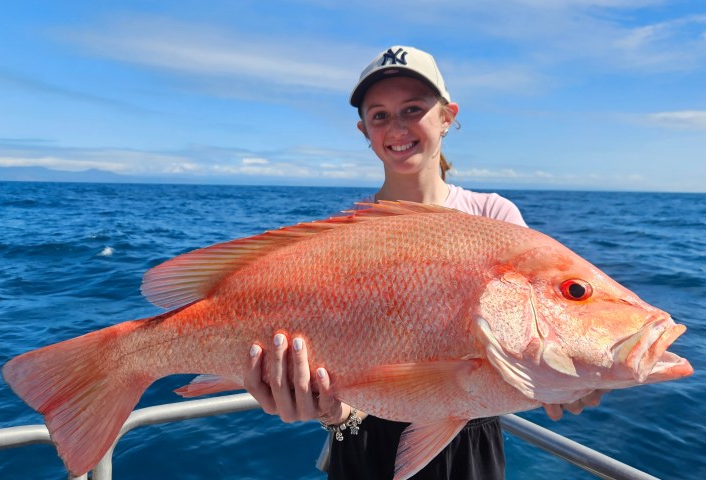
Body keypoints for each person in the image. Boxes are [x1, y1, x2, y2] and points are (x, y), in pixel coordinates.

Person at [242, 45, 607, 479]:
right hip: (360, 438)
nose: (397, 127)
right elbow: (341, 374)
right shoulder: (344, 235)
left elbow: (533, 334)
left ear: (447, 117)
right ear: (364, 130)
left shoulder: (494, 216)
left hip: (467, 442)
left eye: (412, 109)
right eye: (379, 115)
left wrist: (564, 377)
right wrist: (330, 411)